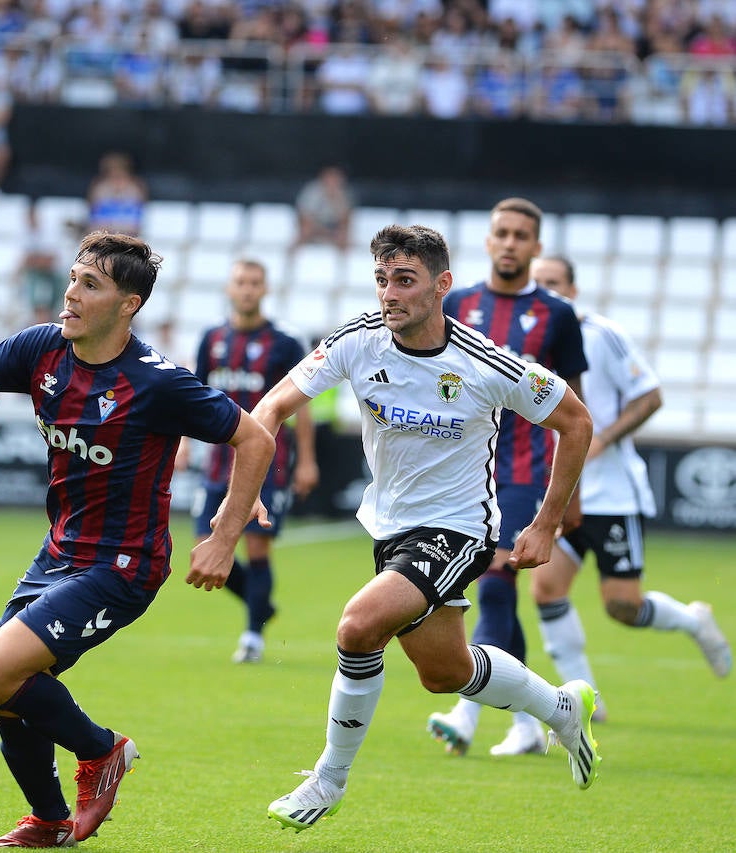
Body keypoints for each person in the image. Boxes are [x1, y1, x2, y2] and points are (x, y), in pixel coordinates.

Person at [0, 231, 275, 847]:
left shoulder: (158, 382)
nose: (71, 294)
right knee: (8, 692)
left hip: (124, 565)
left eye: (91, 284)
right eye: (73, 278)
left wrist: (223, 534)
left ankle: (103, 751)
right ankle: (52, 823)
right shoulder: (41, 349)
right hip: (57, 553)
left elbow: (256, 440)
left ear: (128, 303)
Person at [251, 224, 599, 833]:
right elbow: (271, 407)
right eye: (382, 279)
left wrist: (545, 523)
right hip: (388, 529)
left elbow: (576, 421)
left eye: (404, 281)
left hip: (459, 530)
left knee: (358, 627)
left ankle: (329, 778)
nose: (389, 293)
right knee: (446, 673)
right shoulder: (358, 341)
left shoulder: (485, 363)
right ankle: (562, 707)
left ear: (442, 286)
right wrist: (251, 484)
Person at [429, 197, 590, 758]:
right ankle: (529, 719)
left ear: (536, 246)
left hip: (523, 471)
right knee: (495, 589)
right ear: (488, 239)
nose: (511, 243)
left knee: (496, 580)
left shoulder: (557, 315)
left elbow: (576, 409)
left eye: (522, 235)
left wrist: (569, 495)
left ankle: (466, 713)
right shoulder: (459, 304)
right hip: (464, 472)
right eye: (502, 232)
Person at [528, 256, 731, 696]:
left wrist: (600, 439)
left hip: (610, 492)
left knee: (622, 605)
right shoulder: (528, 340)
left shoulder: (602, 334)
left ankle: (692, 620)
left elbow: (650, 396)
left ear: (573, 290)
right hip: (562, 490)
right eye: (538, 283)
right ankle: (585, 699)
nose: (546, 290)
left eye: (555, 282)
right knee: (545, 588)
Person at [186, 258, 319, 663]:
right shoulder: (211, 339)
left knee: (256, 548)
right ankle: (261, 605)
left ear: (265, 290)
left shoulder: (284, 342)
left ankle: (252, 637)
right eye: (240, 282)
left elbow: (303, 408)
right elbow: (192, 393)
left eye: (254, 282)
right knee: (202, 546)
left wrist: (306, 461)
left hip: (268, 467)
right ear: (229, 288)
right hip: (216, 465)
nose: (247, 289)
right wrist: (182, 445)